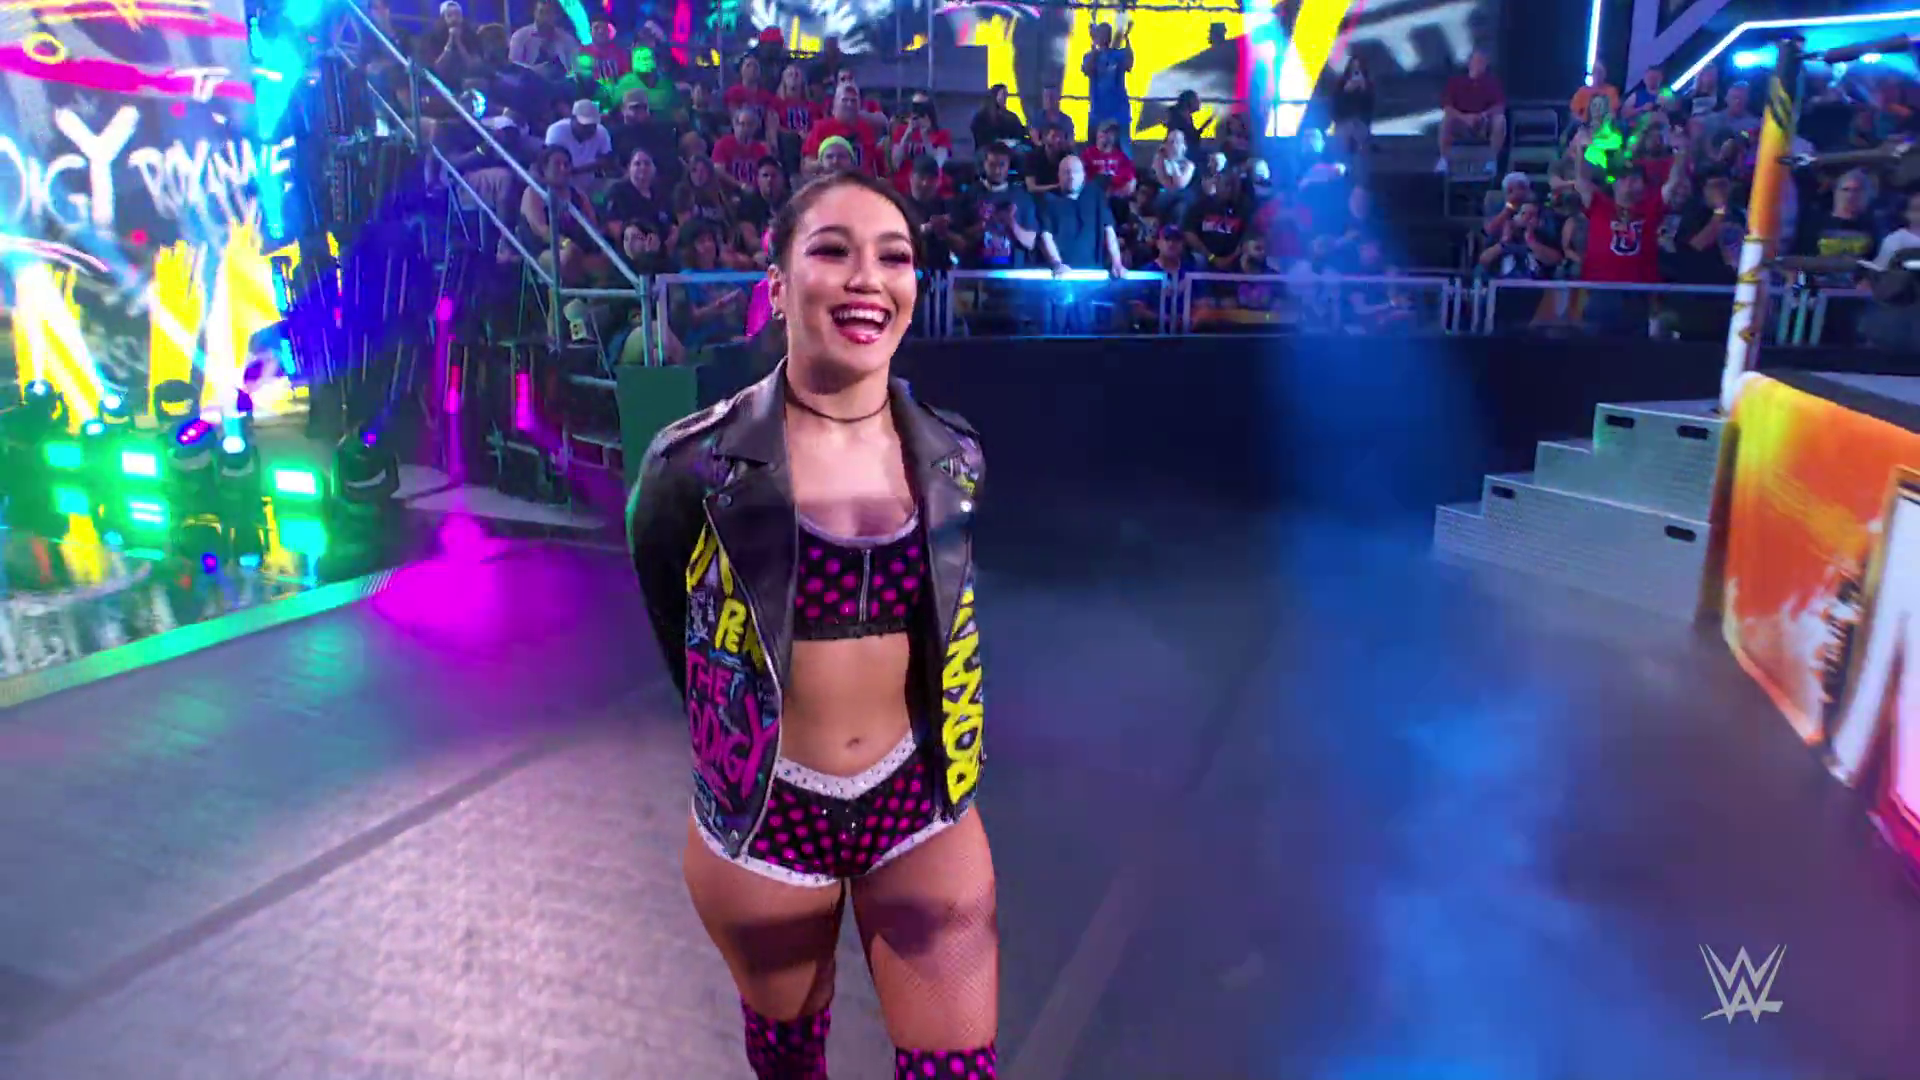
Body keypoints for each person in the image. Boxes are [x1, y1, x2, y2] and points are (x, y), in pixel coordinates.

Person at [628, 169, 999, 1080]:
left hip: (921, 801)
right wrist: (733, 736)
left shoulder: (953, 454)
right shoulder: (693, 466)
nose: (868, 277)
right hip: (767, 819)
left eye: (894, 257)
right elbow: (674, 618)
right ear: (778, 285)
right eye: (833, 251)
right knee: (791, 1063)